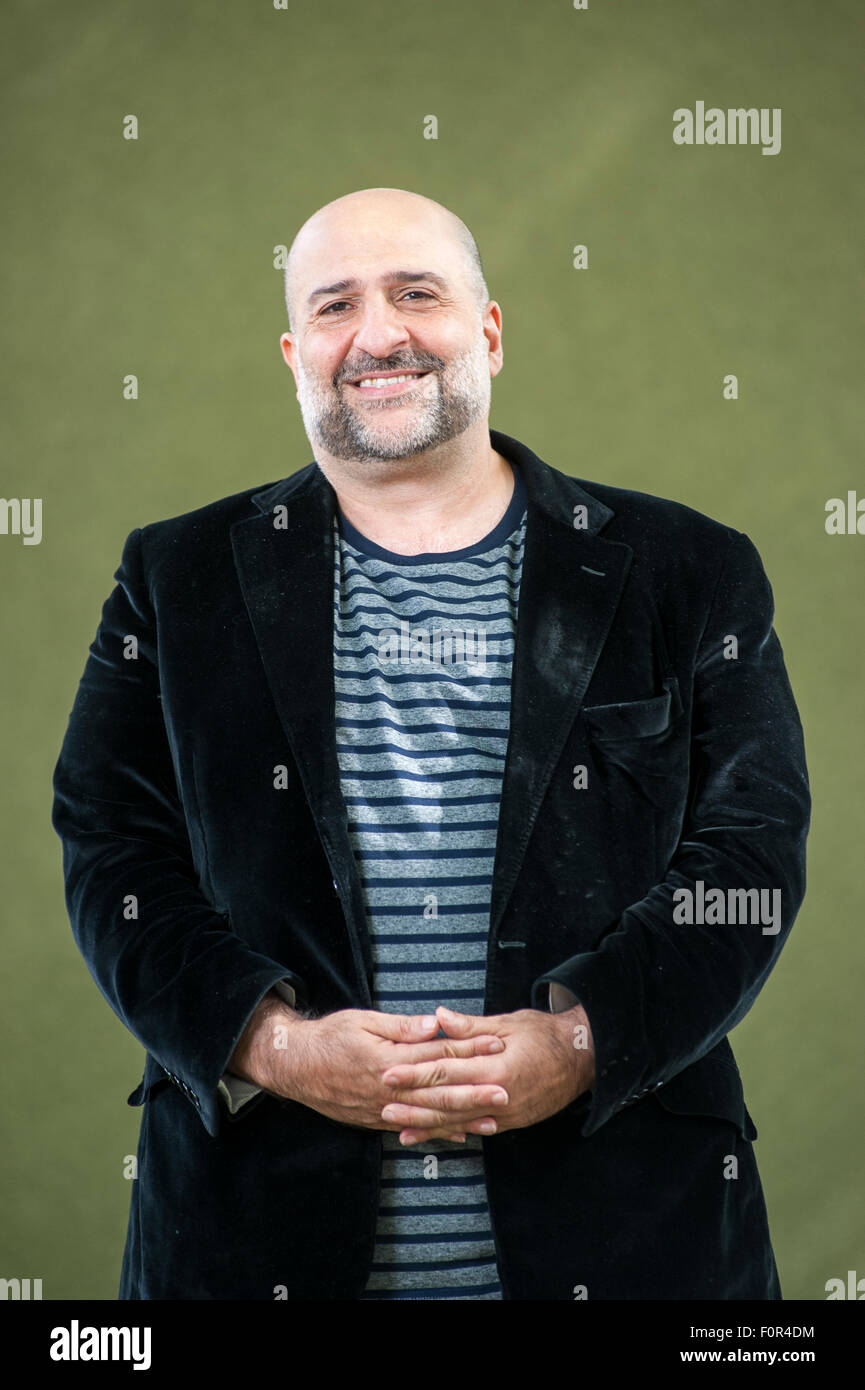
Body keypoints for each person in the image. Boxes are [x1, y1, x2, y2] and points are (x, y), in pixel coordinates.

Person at [51, 186, 810, 1300]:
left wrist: (585, 1036)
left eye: (416, 292)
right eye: (335, 306)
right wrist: (272, 1044)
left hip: (637, 1235)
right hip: (251, 1239)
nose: (378, 333)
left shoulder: (687, 569)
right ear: (295, 352)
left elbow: (748, 855)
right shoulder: (177, 579)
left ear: (489, 330)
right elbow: (112, 847)